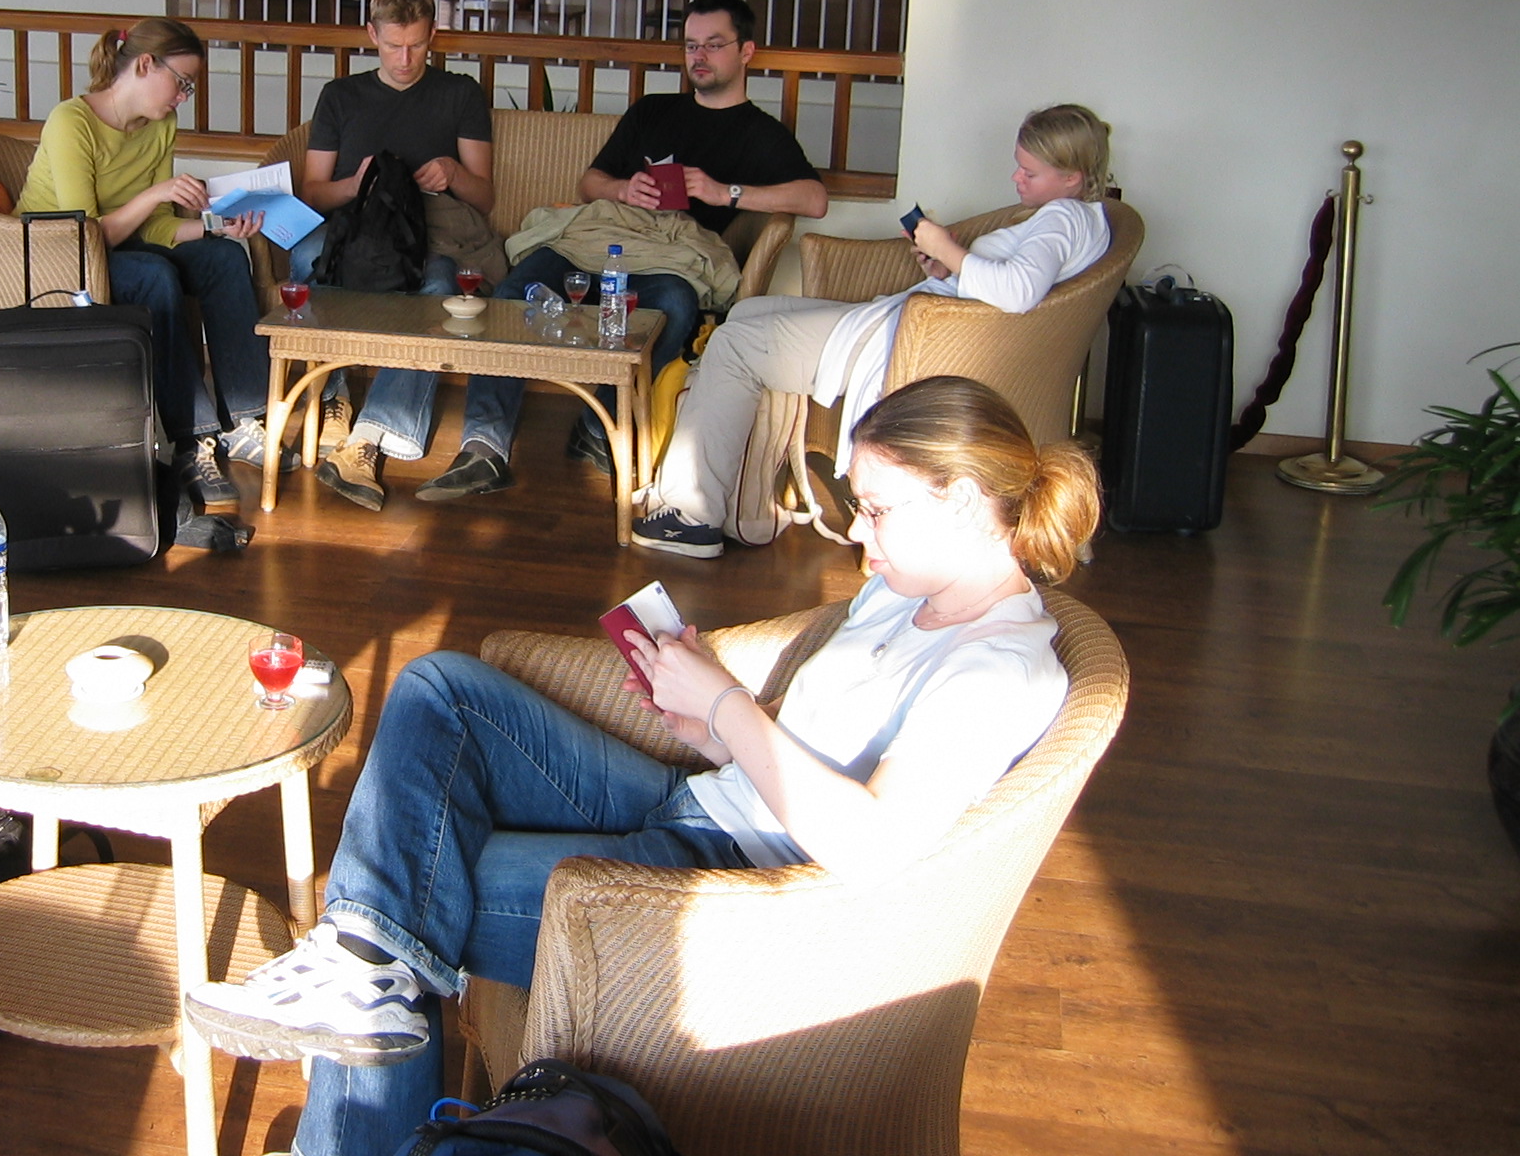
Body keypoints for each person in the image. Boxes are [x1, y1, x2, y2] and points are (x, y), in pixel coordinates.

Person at [185, 374, 1092, 1156]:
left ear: (964, 500)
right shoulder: (904, 591)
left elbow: (871, 843)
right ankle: (362, 979)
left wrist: (727, 706)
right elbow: (809, 741)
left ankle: (352, 1058)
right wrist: (706, 724)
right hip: (702, 795)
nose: (861, 534)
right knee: (441, 690)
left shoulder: (1000, 671)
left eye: (881, 509)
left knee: (409, 897)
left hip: (737, 881)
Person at [636, 103, 1115, 559]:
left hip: (910, 341)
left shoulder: (1062, 217)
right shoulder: (1086, 219)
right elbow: (1006, 285)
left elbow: (1017, 291)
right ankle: (742, 499)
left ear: (1071, 177)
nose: (1016, 178)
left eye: (1030, 172)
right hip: (921, 326)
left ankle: (691, 516)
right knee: (748, 312)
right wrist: (947, 269)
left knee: (732, 343)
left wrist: (945, 249)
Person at [418, 0, 829, 502]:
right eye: (691, 45)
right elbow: (590, 183)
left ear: (746, 51)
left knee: (675, 306)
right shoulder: (653, 110)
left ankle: (598, 428)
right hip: (594, 242)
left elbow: (814, 199)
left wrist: (726, 193)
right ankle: (484, 447)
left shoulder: (760, 133)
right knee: (513, 294)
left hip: (666, 260)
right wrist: (623, 189)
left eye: (713, 44)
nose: (699, 56)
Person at [16, 17, 272, 513]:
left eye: (189, 87)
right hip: (57, 258)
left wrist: (216, 228)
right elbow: (86, 236)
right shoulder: (72, 121)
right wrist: (157, 193)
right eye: (181, 82)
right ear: (145, 65)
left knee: (222, 258)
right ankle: (191, 439)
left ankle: (244, 420)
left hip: (121, 245)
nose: (183, 97)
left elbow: (154, 227)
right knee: (156, 276)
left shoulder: (160, 125)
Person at [288, 0, 496, 512]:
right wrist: (356, 185)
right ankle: (332, 394)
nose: (404, 60)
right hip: (352, 222)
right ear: (371, 35)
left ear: (433, 37)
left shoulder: (459, 93)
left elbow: (484, 197)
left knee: (438, 282)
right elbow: (313, 191)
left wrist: (453, 172)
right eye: (393, 45)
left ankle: (373, 434)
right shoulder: (341, 95)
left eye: (417, 46)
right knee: (307, 258)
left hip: (428, 227)